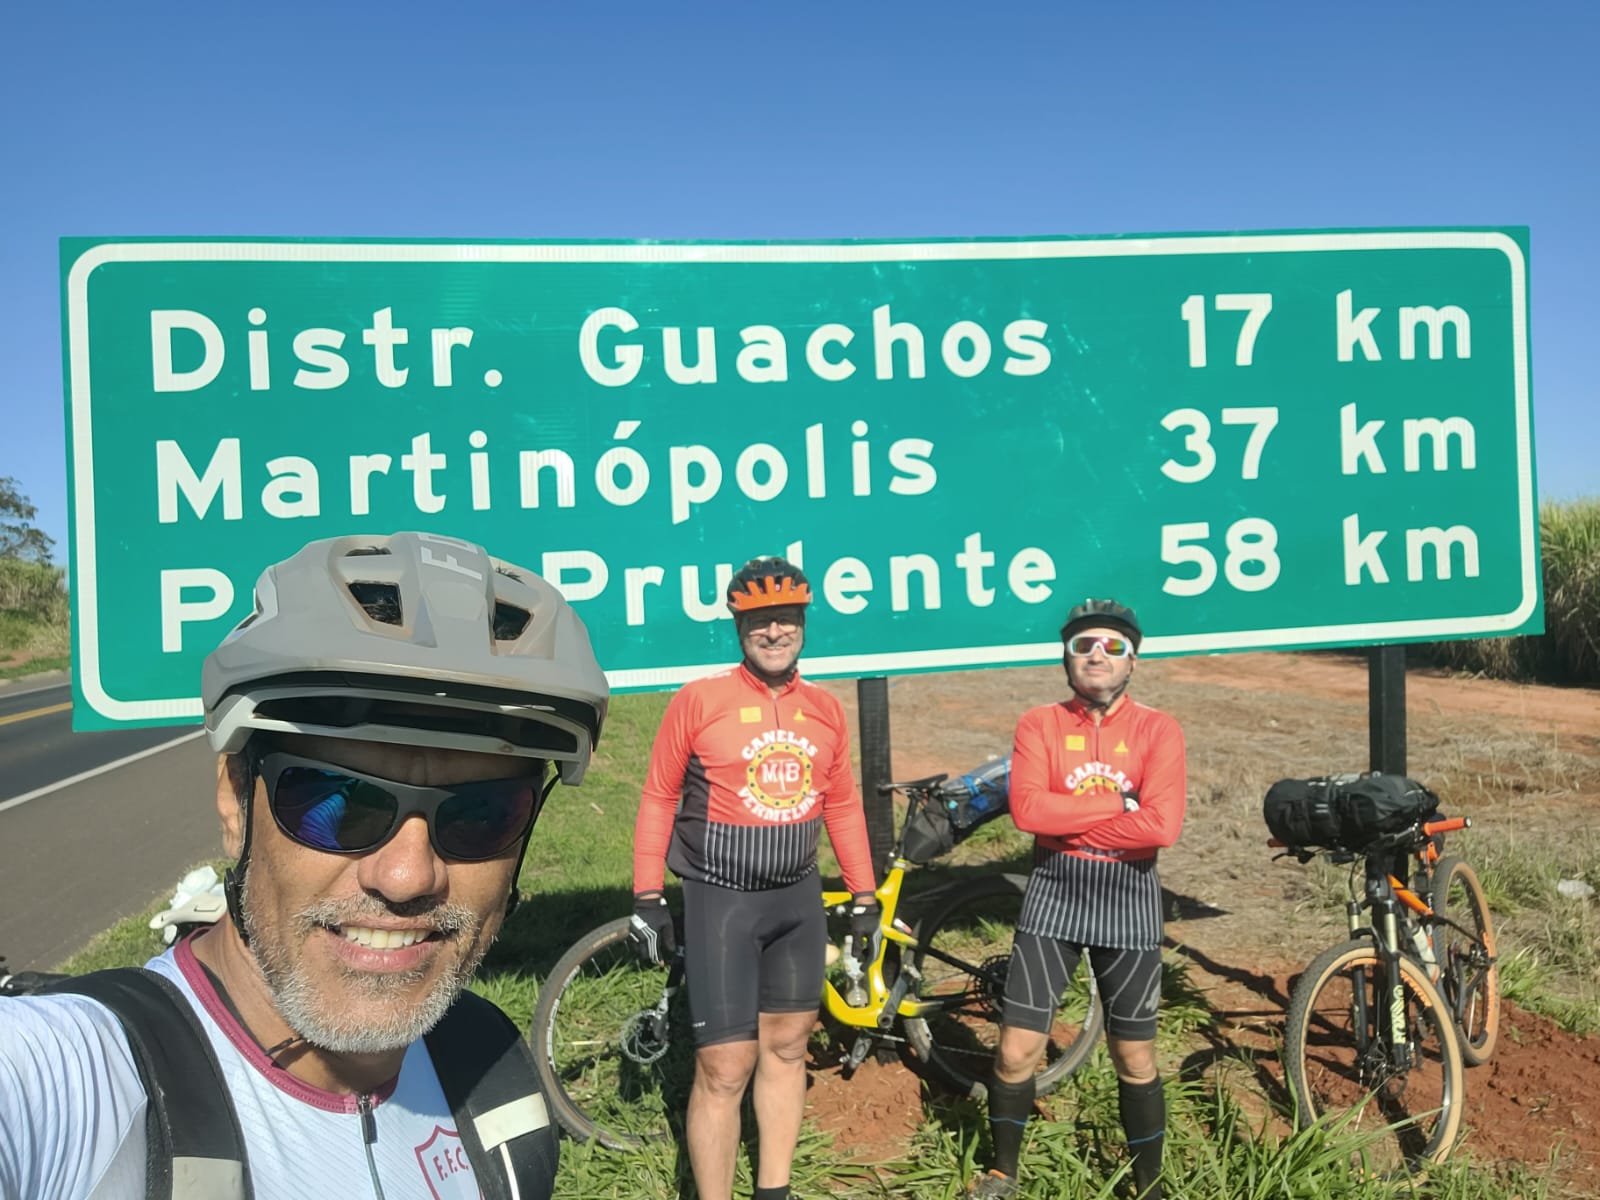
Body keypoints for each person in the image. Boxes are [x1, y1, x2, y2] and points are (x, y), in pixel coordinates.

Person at [0, 530, 609, 1200]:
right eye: (335, 802)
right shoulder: (67, 1083)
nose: (406, 877)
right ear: (236, 800)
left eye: (480, 814)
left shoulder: (485, 1064)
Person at [630, 556, 879, 1200]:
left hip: (796, 895)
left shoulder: (824, 708)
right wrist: (647, 894)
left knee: (789, 1046)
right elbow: (659, 796)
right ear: (740, 627)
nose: (775, 632)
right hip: (721, 898)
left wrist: (863, 892)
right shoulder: (700, 700)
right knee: (724, 1065)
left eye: (786, 618)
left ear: (803, 623)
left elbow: (844, 804)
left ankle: (774, 1190)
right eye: (760, 621)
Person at [973, 599, 1186, 1200]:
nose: (1098, 655)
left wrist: (1069, 824)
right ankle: (1003, 1174)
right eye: (1084, 645)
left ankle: (1147, 1186)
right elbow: (1028, 812)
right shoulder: (1039, 724)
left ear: (1133, 661)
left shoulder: (1158, 730)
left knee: (1135, 1056)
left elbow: (1162, 827)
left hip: (1131, 901)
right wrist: (1121, 807)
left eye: (1113, 646)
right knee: (1016, 1052)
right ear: (1066, 656)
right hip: (1054, 896)